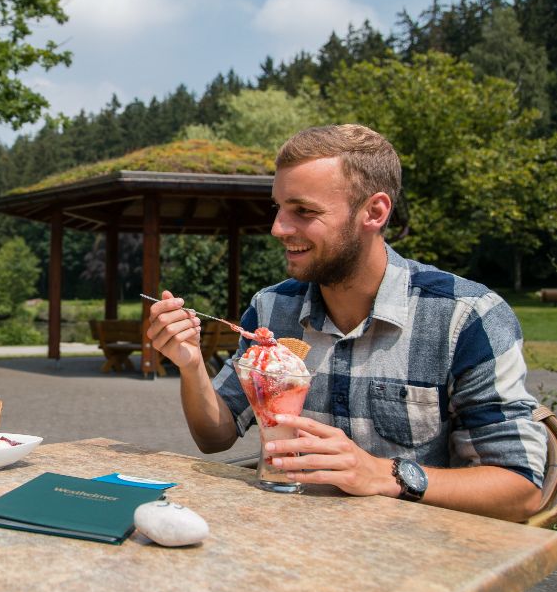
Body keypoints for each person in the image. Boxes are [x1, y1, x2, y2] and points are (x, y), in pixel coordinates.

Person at [147, 124, 547, 522]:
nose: (278, 228)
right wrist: (191, 363)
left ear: (374, 212)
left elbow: (519, 489)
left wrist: (384, 475)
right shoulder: (272, 309)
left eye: (303, 211)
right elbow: (215, 436)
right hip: (291, 545)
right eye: (279, 208)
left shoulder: (466, 317)